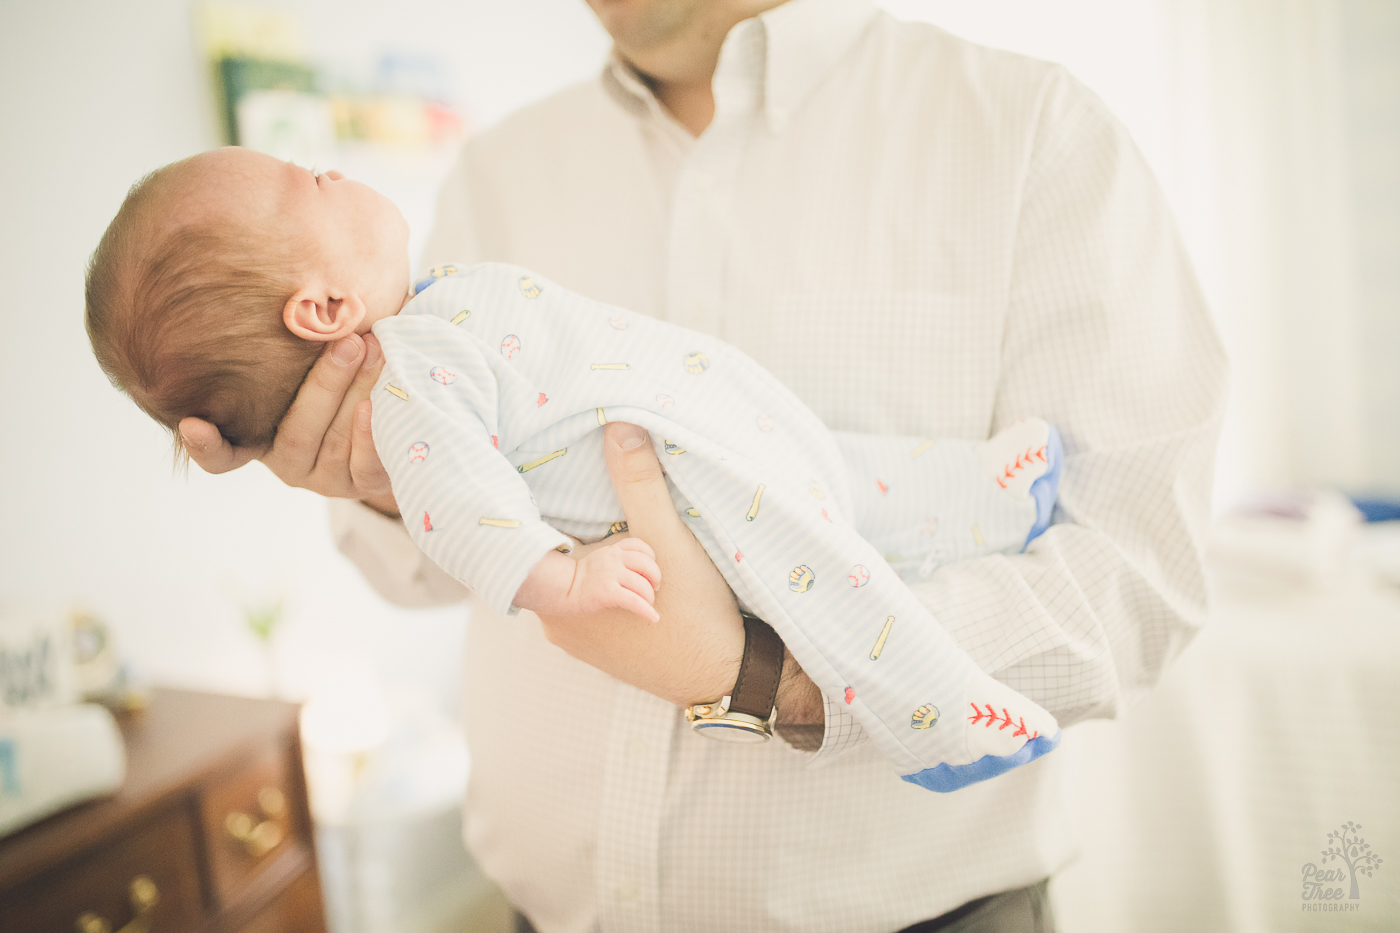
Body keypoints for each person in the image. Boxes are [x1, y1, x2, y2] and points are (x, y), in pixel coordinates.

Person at [180, 0, 1227, 929]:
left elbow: (1139, 571)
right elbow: (410, 571)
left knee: (852, 485)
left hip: (925, 913)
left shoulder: (1028, 132)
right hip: (536, 914)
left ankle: (933, 683)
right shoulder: (498, 174)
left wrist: (762, 677)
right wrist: (384, 486)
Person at [87, 145, 1065, 790]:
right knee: (835, 565)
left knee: (852, 482)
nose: (332, 172)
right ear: (320, 310)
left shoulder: (426, 320)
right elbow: (457, 510)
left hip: (718, 426)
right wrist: (560, 579)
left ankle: (983, 492)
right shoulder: (412, 374)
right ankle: (938, 715)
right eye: (307, 180)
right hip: (692, 488)